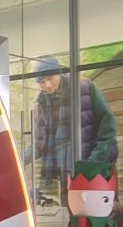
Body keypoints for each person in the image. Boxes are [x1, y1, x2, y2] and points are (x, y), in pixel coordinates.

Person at [26, 56, 118, 206]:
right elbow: (39, 144)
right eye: (42, 82)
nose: (47, 85)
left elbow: (108, 123)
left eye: (50, 78)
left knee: (104, 215)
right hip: (66, 173)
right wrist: (17, 158)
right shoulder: (40, 106)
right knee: (73, 215)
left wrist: (95, 159)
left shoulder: (84, 88)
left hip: (97, 166)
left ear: (59, 73)